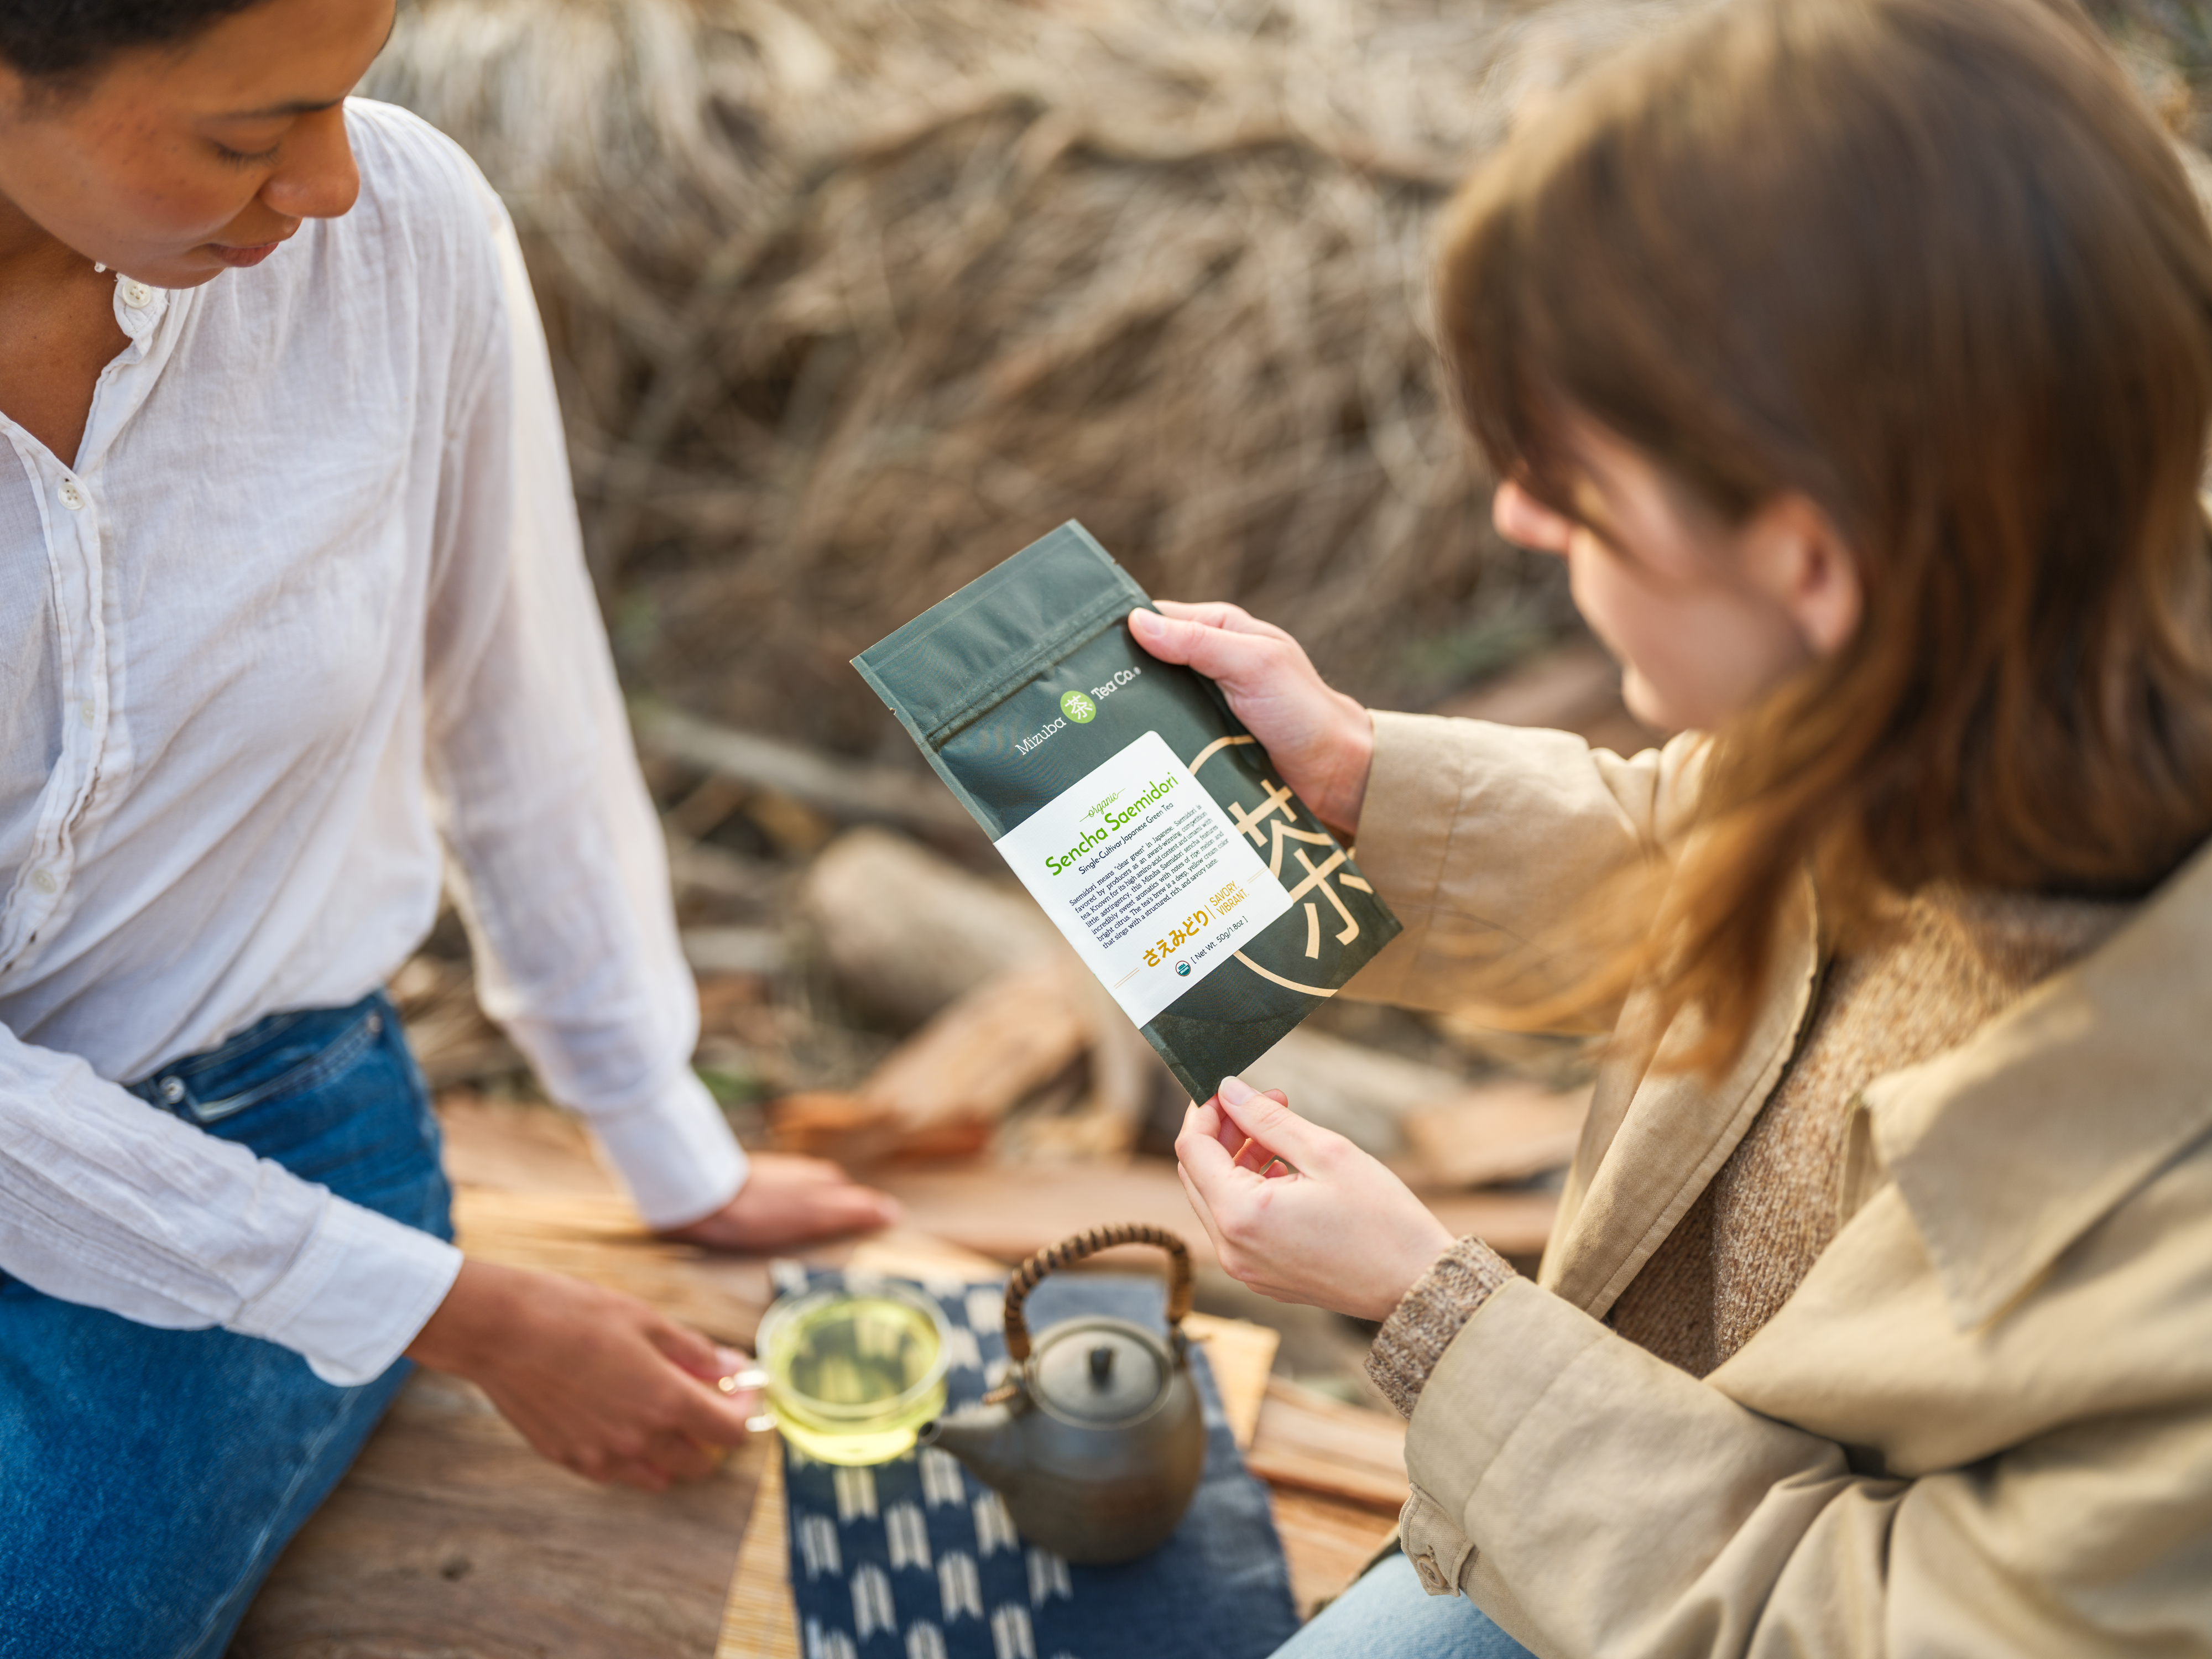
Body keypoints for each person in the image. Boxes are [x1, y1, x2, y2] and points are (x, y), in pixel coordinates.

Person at [1152, 0, 2212, 1652]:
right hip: (1628, 1496)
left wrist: (1434, 1317)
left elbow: (1864, 1631)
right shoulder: (2024, 614)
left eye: (1576, 491)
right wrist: (1367, 782)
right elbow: (1728, 859)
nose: (1517, 514)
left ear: (1809, 568)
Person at [0, 2, 896, 1653]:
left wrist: (655, 1124)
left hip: (260, 1127)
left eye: (351, 92)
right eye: (247, 133)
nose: (331, 180)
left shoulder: (398, 243)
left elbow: (517, 692)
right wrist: (454, 1313)